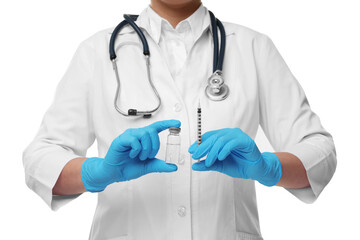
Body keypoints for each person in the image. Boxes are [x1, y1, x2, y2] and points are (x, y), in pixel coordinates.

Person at [23, 0, 337, 239]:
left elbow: (320, 152)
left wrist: (270, 168)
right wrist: (98, 172)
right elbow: (41, 159)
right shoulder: (96, 52)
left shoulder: (253, 47)